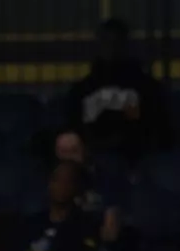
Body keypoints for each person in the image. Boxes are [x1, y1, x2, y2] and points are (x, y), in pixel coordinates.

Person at [64, 18, 169, 160]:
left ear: (125, 46)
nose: (111, 47)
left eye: (116, 42)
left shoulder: (145, 87)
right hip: (95, 156)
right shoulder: (83, 89)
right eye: (107, 41)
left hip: (133, 156)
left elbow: (154, 127)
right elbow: (74, 127)